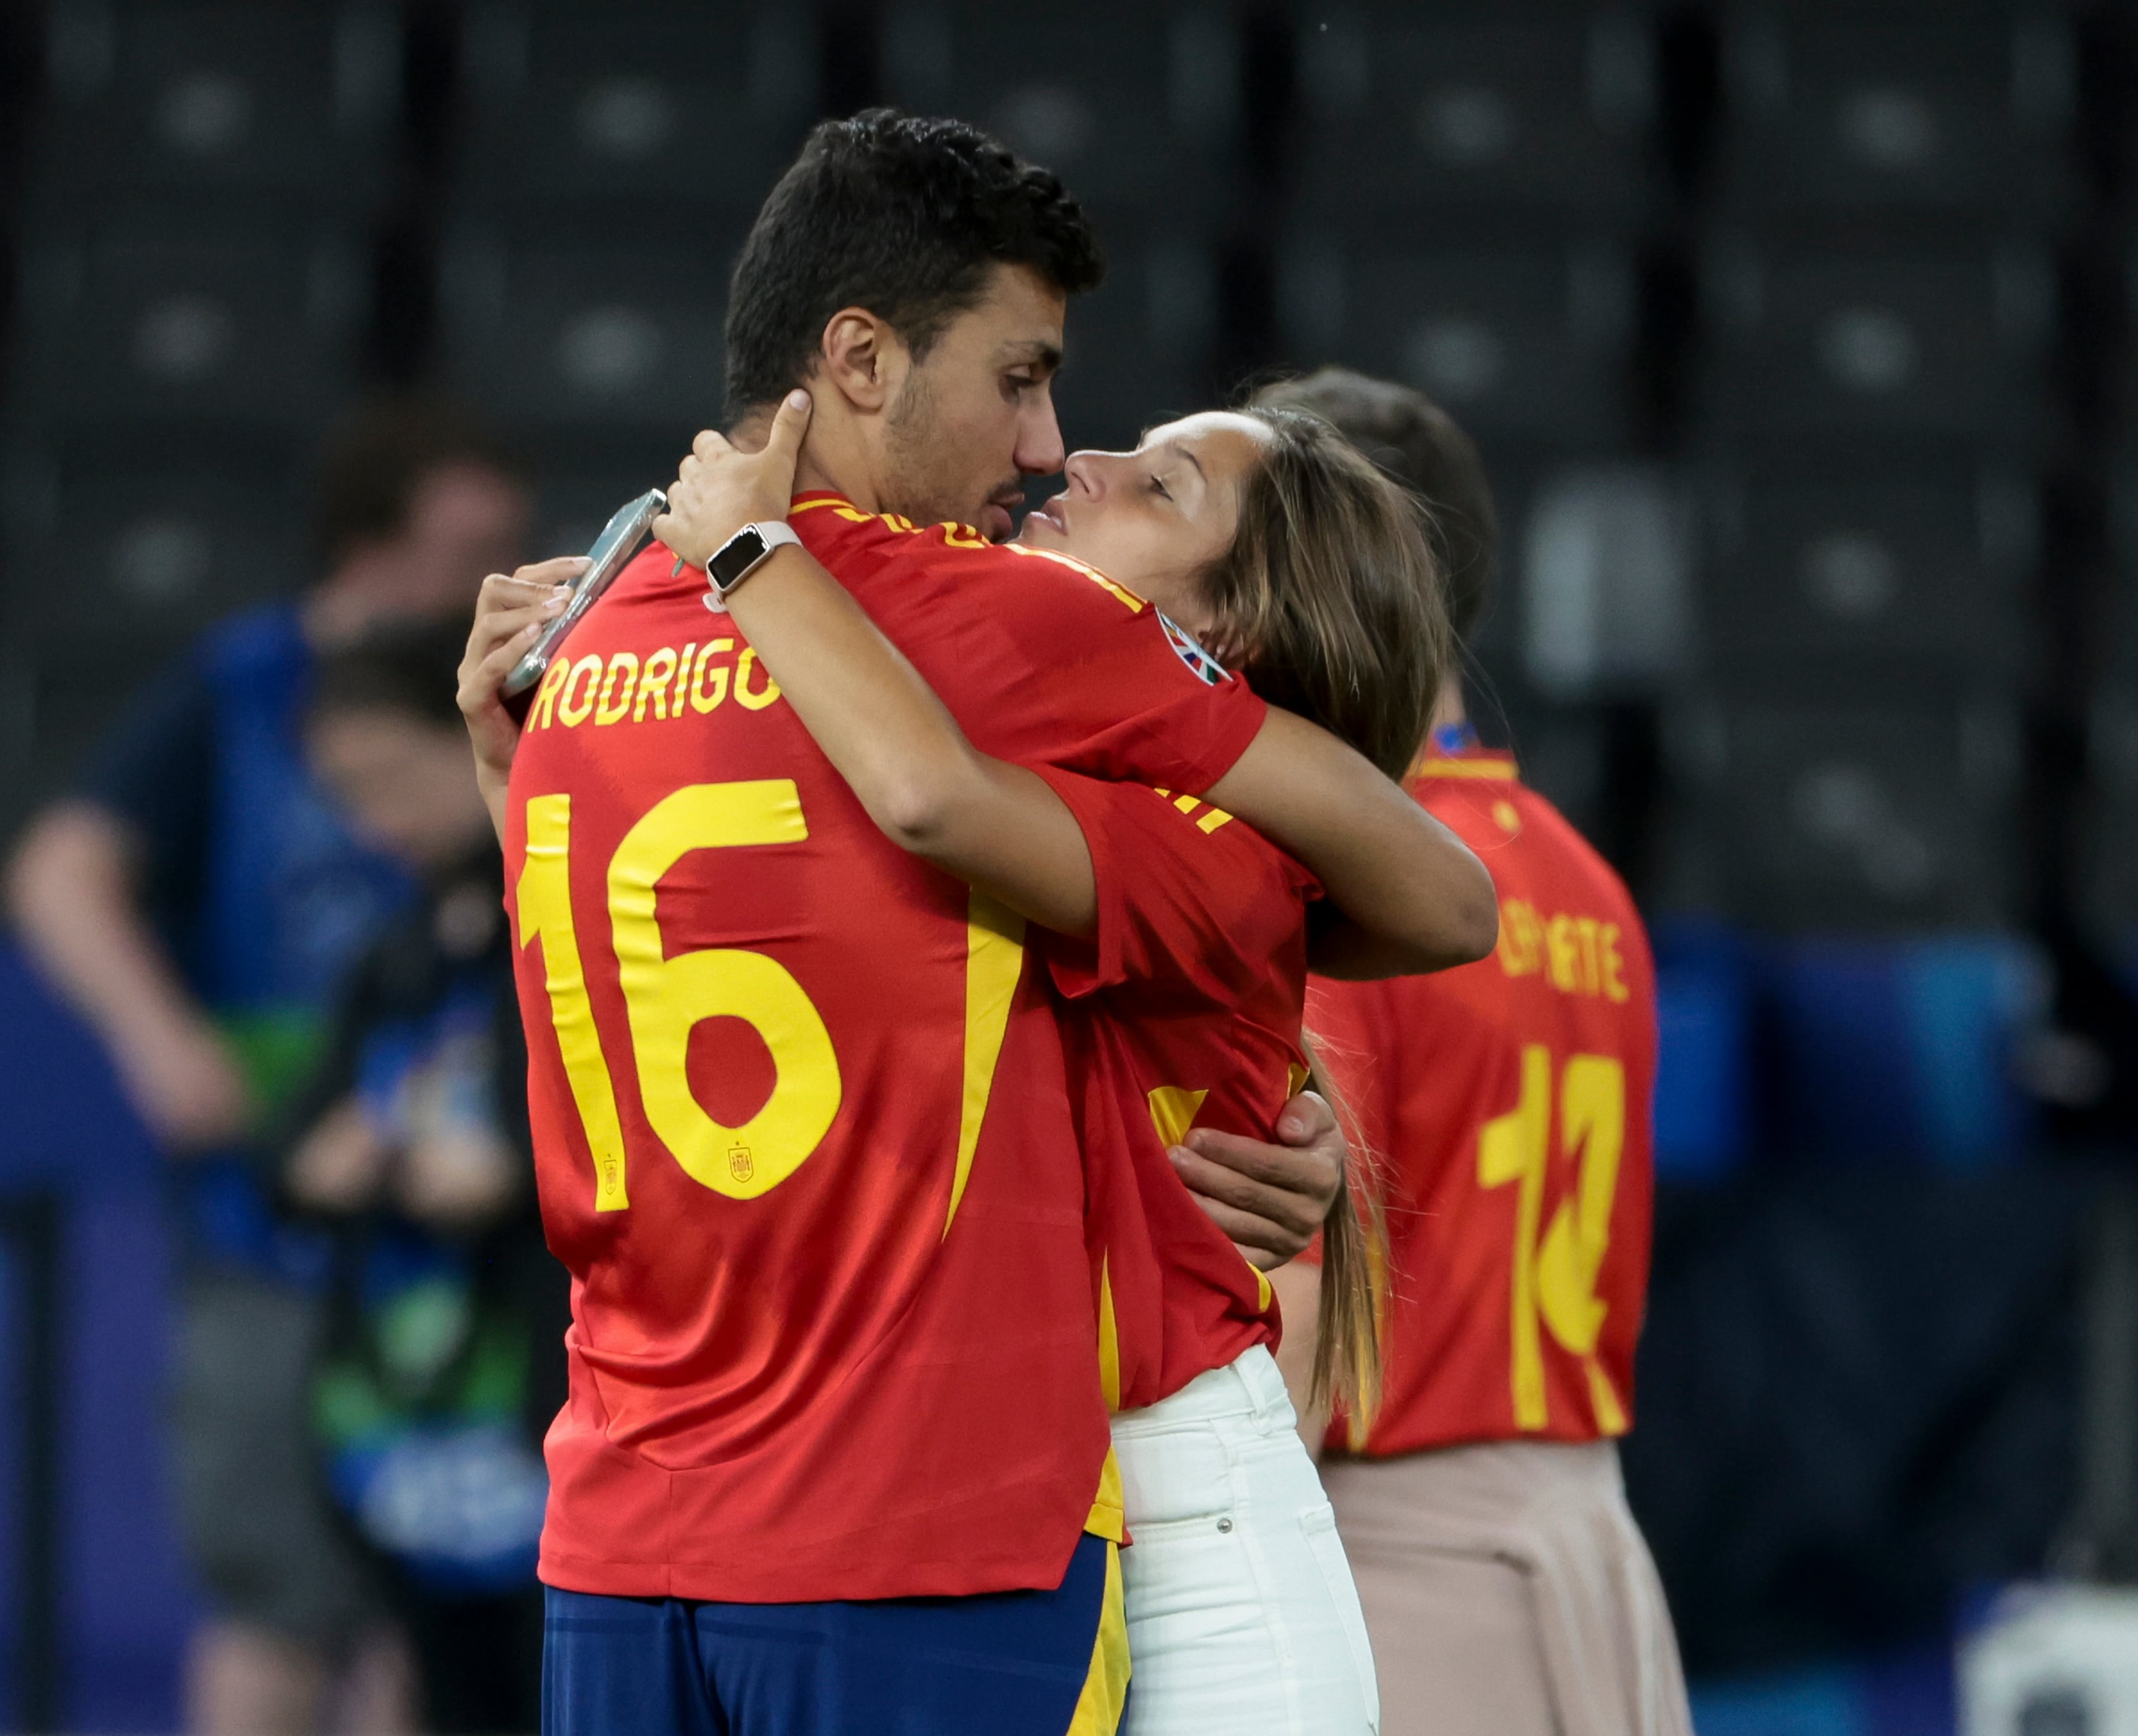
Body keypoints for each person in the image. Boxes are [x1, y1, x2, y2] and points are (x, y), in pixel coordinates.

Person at [451, 111, 1492, 1735]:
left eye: (1132, 466)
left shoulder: (598, 630)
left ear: (1224, 637)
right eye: (1021, 379)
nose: (1046, 447)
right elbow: (1416, 897)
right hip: (924, 1511)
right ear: (860, 359)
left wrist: (537, 729)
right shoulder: (1002, 629)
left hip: (658, 1510)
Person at [648, 388, 1454, 1736]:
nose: (1077, 457)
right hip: (979, 1497)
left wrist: (750, 556)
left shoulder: (1189, 830)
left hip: (1175, 1509)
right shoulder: (974, 743)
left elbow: (932, 798)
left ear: (1223, 633)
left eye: (1160, 485)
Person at [2, 398, 531, 1736]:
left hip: (467, 1279)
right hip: (269, 1239)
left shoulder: (525, 699)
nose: (496, 574)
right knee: (277, 1606)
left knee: (437, 1614)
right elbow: (59, 868)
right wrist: (159, 1039)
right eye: (463, 544)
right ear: (366, 542)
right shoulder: (236, 687)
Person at [1266, 368, 1693, 1736]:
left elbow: (1302, 1307)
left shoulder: (1354, 888)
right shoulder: (1584, 886)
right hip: (1590, 1550)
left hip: (1402, 1573)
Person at [272, 614, 569, 1735]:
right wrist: (329, 1162)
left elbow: (636, 1145)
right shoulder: (397, 951)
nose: (371, 821)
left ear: (477, 732)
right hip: (406, 1433)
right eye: (344, 793)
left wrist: (519, 1169)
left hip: (548, 1414)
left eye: (389, 778)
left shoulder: (572, 909)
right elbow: (290, 1155)